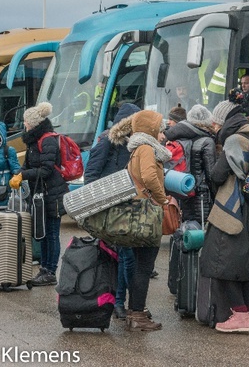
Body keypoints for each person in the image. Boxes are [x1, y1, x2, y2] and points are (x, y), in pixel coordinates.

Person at [199, 90, 249, 333]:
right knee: (246, 266)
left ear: (225, 121)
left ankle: (239, 315)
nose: (214, 128)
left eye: (216, 123)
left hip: (232, 210)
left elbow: (216, 174)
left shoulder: (234, 141)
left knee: (221, 261)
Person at [84, 103, 141, 320]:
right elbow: (92, 172)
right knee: (124, 255)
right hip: (112, 206)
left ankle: (120, 301)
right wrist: (94, 204)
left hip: (127, 204)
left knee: (125, 255)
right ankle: (118, 301)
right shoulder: (108, 140)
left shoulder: (133, 143)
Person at [10, 102, 68, 287]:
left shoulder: (47, 140)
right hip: (41, 195)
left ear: (33, 123)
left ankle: (50, 270)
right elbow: (28, 165)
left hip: (53, 193)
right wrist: (19, 172)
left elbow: (46, 170)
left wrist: (24, 175)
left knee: (51, 233)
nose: (23, 125)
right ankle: (44, 268)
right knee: (42, 232)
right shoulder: (34, 141)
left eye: (26, 122)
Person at [124, 109, 170, 332]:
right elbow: (150, 177)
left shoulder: (136, 149)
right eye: (160, 130)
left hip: (136, 212)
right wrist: (164, 200)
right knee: (144, 267)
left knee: (138, 266)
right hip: (147, 214)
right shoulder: (146, 149)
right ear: (150, 129)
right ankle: (138, 315)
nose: (163, 135)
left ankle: (134, 312)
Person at [163, 104, 216, 224]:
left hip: (182, 189)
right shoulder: (206, 141)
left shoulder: (179, 138)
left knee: (184, 225)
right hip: (201, 195)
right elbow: (211, 173)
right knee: (200, 229)